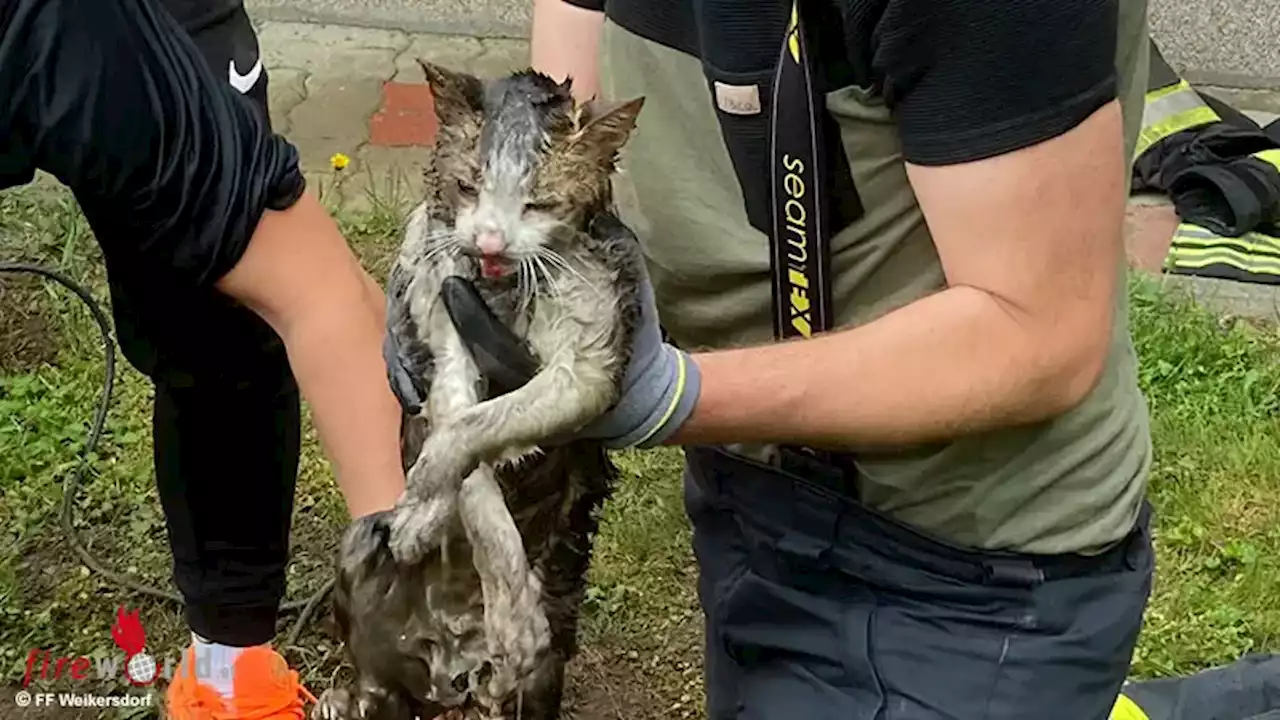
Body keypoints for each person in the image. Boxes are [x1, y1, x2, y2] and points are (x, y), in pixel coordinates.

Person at [390, 0, 1161, 717]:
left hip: (957, 566)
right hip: (752, 485)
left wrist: (672, 395)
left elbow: (1040, 332)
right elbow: (574, 101)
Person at [0, 0, 406, 716]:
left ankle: (230, 674)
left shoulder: (76, 30)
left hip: (106, 34)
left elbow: (314, 288)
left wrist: (410, 602)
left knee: (224, 315)